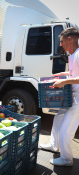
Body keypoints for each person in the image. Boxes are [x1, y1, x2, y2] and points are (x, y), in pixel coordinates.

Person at [40, 27, 79, 166]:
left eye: (62, 41)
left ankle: (67, 159)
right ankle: (54, 145)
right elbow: (75, 74)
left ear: (69, 39)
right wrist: (63, 74)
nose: (61, 44)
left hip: (78, 99)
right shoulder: (73, 54)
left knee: (66, 130)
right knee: (57, 119)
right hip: (71, 96)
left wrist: (64, 81)